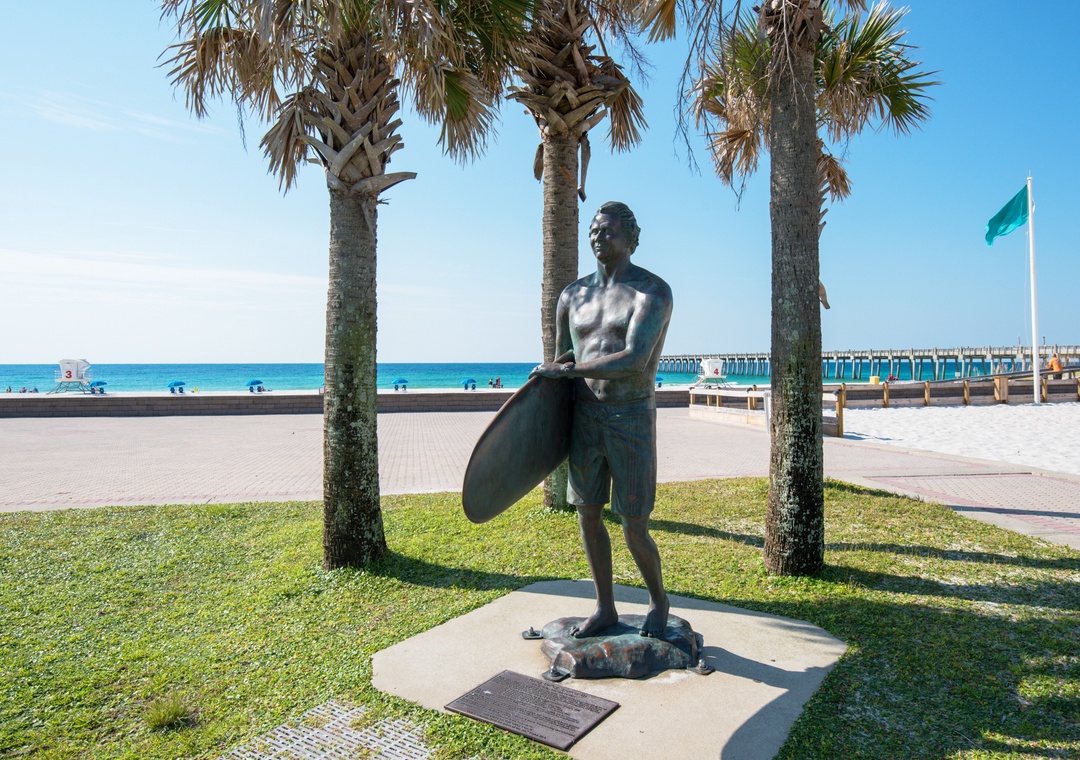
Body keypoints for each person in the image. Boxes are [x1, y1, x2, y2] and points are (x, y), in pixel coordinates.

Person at [531, 201, 673, 639]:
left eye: (608, 230)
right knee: (587, 517)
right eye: (594, 230)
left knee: (634, 526)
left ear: (631, 238)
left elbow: (634, 359)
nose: (598, 237)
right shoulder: (571, 296)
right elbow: (563, 357)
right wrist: (553, 381)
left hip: (631, 418)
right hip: (585, 418)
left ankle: (658, 600)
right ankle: (605, 608)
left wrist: (568, 371)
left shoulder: (652, 291)